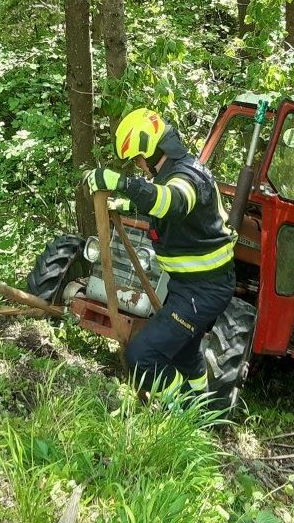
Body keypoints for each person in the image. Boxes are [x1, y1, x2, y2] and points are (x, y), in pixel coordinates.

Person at [85, 108, 236, 400]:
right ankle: (205, 410)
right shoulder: (173, 173)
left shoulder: (188, 176)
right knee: (185, 357)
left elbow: (174, 203)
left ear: (153, 152)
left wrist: (121, 183)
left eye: (139, 159)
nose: (140, 166)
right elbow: (168, 212)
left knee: (142, 356)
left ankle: (180, 416)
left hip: (203, 290)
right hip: (190, 286)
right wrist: (127, 206)